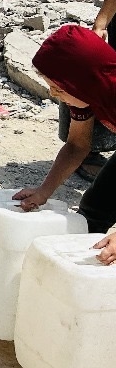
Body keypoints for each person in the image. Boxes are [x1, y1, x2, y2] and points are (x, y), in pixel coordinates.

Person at [14, 25, 116, 262]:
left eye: (59, 88)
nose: (52, 94)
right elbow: (77, 145)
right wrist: (43, 191)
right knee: (94, 208)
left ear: (83, 82)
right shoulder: (86, 94)